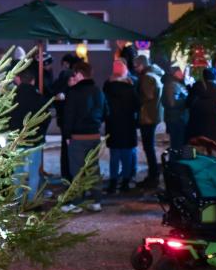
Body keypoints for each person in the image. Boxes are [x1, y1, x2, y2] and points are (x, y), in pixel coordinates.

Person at [61, 61, 107, 213]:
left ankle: (76, 203)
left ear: (80, 74)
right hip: (94, 134)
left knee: (77, 171)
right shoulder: (98, 91)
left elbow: (68, 116)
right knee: (94, 169)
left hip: (78, 137)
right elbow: (106, 112)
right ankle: (97, 201)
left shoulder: (74, 93)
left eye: (75, 74)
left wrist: (67, 135)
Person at [6, 66, 48, 203]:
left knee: (17, 171)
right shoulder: (39, 97)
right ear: (33, 81)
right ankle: (32, 201)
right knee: (34, 172)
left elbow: (7, 118)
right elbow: (46, 117)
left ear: (19, 80)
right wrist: (40, 133)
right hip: (35, 141)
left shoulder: (12, 97)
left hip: (17, 140)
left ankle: (16, 200)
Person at [103, 61, 138, 194]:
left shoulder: (107, 87)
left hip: (112, 125)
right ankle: (125, 183)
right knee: (127, 156)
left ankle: (113, 183)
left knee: (114, 156)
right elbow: (137, 105)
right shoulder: (130, 88)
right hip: (128, 126)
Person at [132, 56, 162, 190]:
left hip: (147, 117)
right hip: (153, 115)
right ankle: (153, 174)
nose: (135, 69)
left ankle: (153, 176)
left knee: (148, 147)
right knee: (149, 147)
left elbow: (147, 96)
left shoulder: (146, 77)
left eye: (136, 66)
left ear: (141, 65)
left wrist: (134, 98)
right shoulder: (155, 74)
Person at [186, 70, 216, 155]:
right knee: (215, 151)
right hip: (215, 125)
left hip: (198, 126)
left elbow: (188, 104)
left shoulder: (195, 88)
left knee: (199, 151)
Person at [52, 53, 78, 182]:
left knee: (66, 147)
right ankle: (71, 174)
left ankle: (66, 174)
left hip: (65, 119)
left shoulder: (65, 76)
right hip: (72, 121)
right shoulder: (74, 77)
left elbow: (55, 92)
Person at [161, 64, 188, 150]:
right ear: (174, 73)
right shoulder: (171, 84)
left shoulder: (177, 83)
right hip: (175, 119)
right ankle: (175, 162)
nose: (182, 74)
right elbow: (171, 103)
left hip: (178, 118)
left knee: (178, 143)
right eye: (179, 72)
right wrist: (187, 101)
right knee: (176, 144)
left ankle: (178, 161)